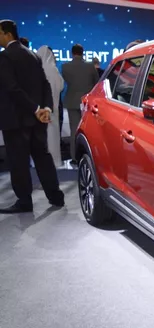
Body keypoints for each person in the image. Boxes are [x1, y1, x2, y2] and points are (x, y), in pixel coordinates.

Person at [0, 19, 64, 213]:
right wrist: (45, 108)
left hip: (16, 120)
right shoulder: (33, 55)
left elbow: (13, 89)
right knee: (43, 157)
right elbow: (44, 84)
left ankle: (25, 202)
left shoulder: (5, 57)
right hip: (37, 120)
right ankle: (56, 197)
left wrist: (36, 109)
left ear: (7, 34)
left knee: (19, 162)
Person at [62, 43, 98, 164]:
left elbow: (67, 82)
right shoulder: (90, 67)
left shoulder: (65, 66)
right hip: (86, 102)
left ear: (72, 53)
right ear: (83, 53)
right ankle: (88, 156)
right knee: (88, 130)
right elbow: (96, 83)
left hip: (72, 101)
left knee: (74, 130)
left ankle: (74, 157)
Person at [37, 45, 64, 168]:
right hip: (54, 107)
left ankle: (42, 163)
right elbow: (61, 86)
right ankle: (55, 161)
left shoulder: (37, 70)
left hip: (40, 109)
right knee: (53, 135)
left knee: (41, 137)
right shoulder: (54, 70)